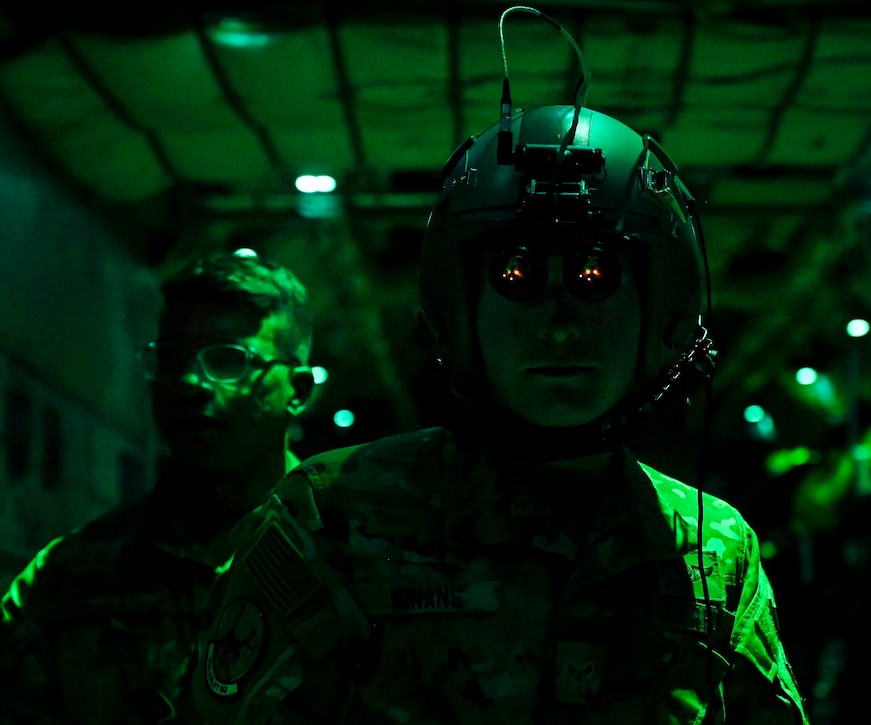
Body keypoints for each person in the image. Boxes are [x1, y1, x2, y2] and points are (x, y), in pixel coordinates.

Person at [194, 18, 810, 719]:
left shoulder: (714, 552)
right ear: (460, 312)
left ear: (659, 315)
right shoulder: (333, 516)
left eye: (596, 274)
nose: (559, 320)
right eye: (516, 274)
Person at [0, 250, 316, 723]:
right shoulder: (65, 578)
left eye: (228, 360)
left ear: (298, 390)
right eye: (171, 358)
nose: (189, 382)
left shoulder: (353, 556)